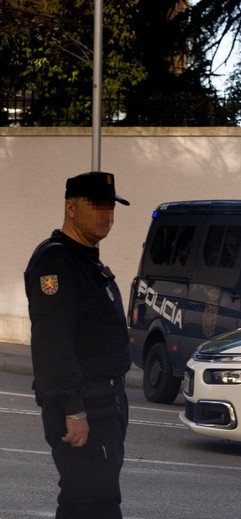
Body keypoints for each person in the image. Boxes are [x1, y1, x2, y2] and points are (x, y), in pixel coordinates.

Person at [24, 171, 132, 517]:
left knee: (84, 502)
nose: (106, 215)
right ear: (70, 208)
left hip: (105, 401)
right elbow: (52, 344)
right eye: (96, 205)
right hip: (85, 404)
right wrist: (73, 410)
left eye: (110, 207)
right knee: (95, 503)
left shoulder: (87, 260)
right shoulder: (57, 262)